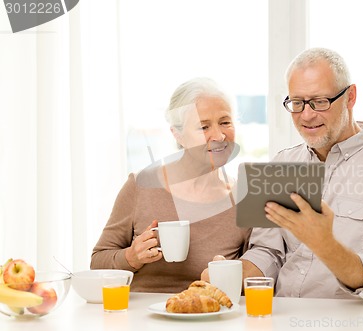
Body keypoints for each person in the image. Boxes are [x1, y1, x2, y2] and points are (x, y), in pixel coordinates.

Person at [203, 47, 363, 302]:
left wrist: (326, 246)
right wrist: (230, 275)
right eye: (297, 103)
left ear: (350, 97)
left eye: (319, 102)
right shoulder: (281, 163)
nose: (306, 115)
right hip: (279, 319)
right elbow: (267, 252)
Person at [91, 77, 251, 293]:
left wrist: (230, 273)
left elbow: (257, 278)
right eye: (204, 126)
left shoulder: (244, 199)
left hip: (209, 319)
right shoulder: (140, 186)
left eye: (225, 122)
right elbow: (97, 262)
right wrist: (131, 257)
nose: (220, 135)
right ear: (177, 135)